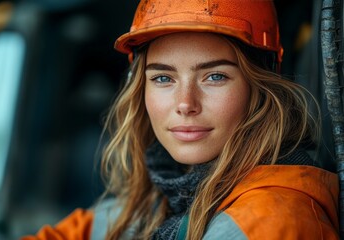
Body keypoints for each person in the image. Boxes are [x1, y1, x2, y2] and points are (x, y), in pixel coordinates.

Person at [22, 0, 339, 239]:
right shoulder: (157, 201)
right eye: (163, 79)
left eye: (214, 76)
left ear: (260, 89)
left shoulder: (270, 221)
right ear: (140, 89)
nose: (185, 104)